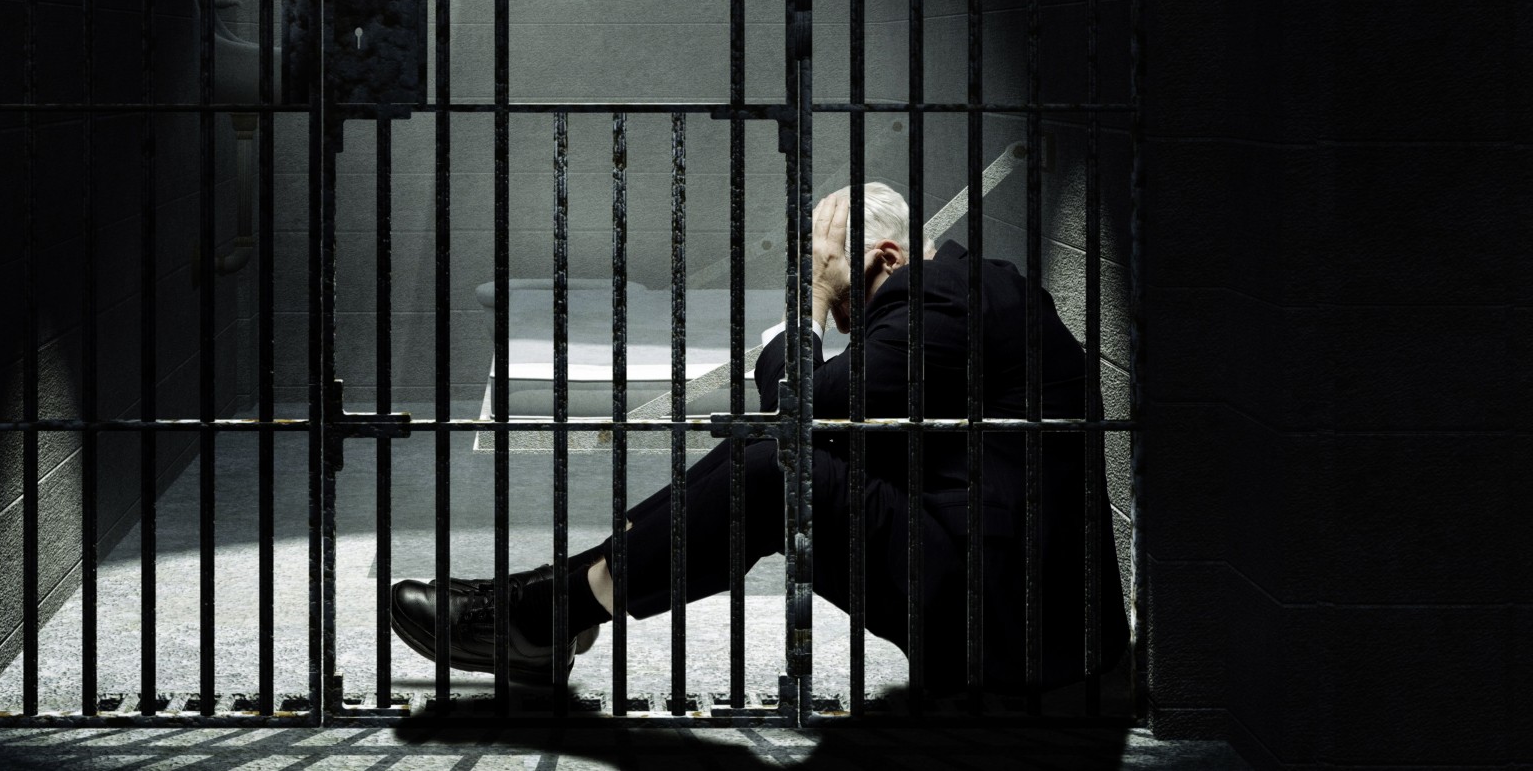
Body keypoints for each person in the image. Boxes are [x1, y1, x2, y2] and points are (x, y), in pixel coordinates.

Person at [388, 181, 1129, 696]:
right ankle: (552, 604)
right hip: (1014, 604)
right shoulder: (968, 296)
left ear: (887, 257)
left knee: (778, 463)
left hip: (1007, 619)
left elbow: (801, 406)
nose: (824, 286)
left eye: (829, 267)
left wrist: (808, 308)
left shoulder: (938, 292)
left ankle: (544, 610)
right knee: (773, 455)